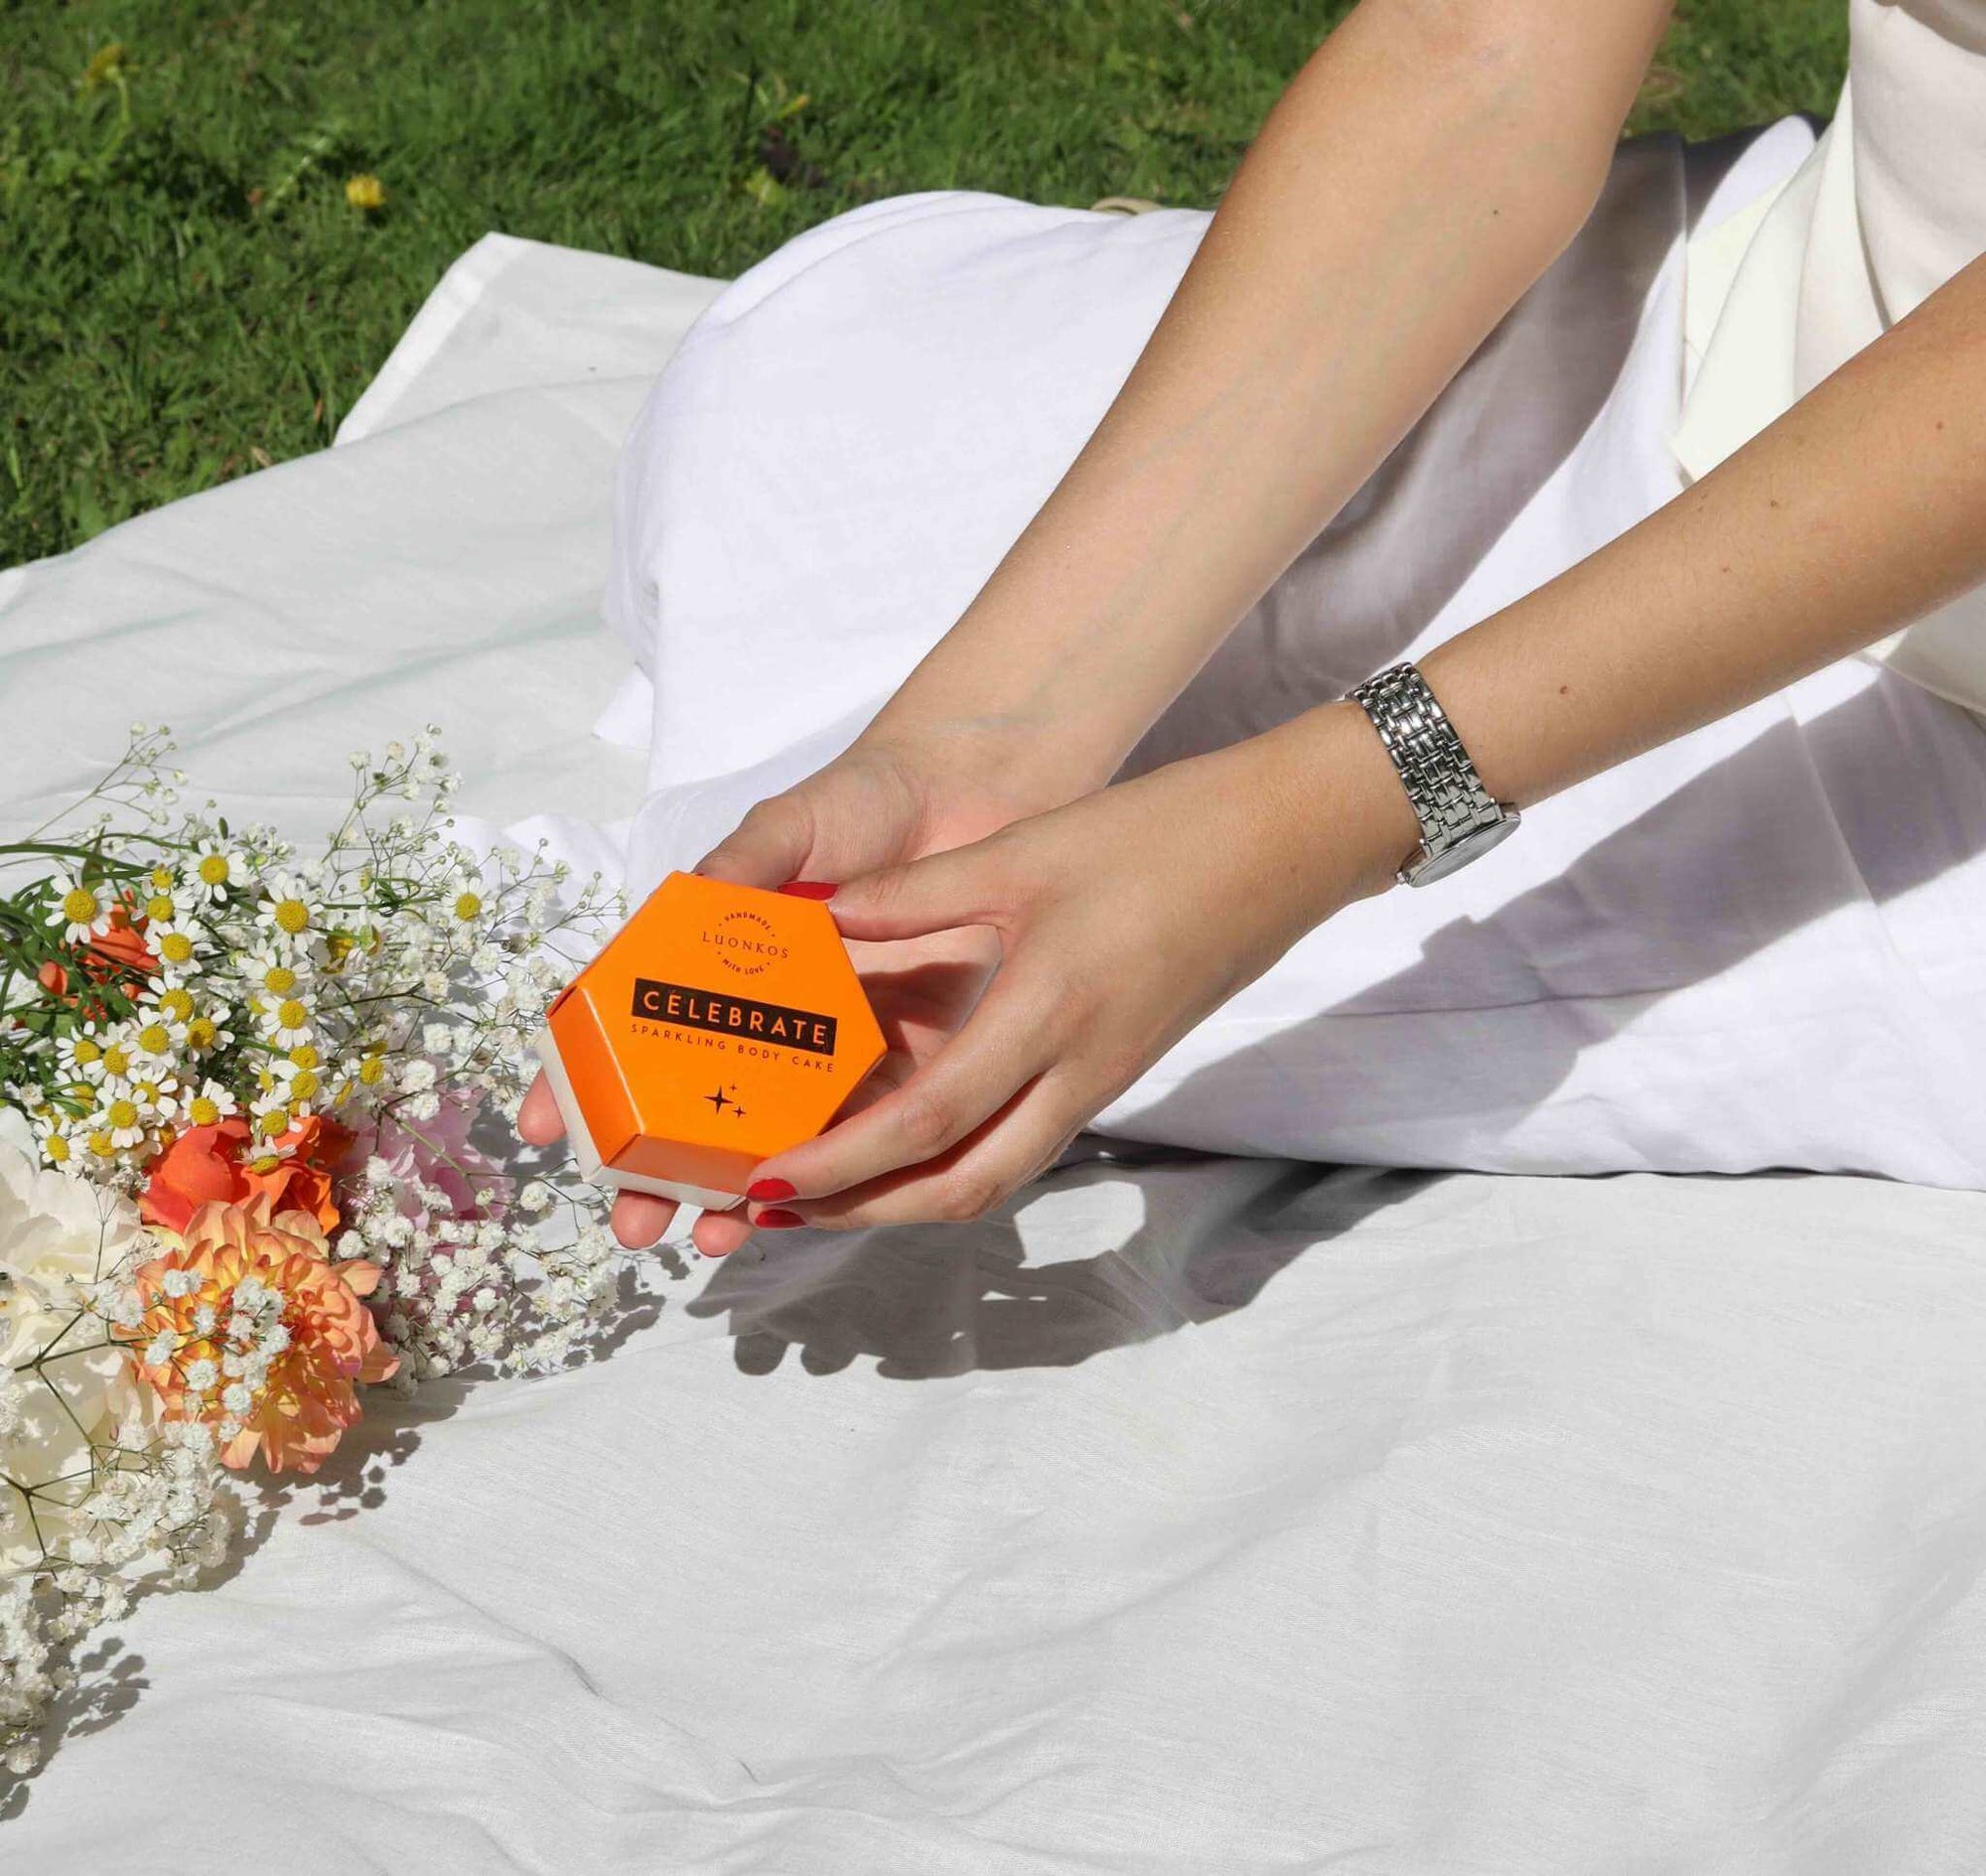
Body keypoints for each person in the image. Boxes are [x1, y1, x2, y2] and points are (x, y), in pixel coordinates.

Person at [519, 0, 1986, 1260]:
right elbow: (1479, 50)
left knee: (1134, 1008)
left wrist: (1314, 821)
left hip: (1942, 700)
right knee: (763, 430)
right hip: (1780, 347)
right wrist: (987, 731)